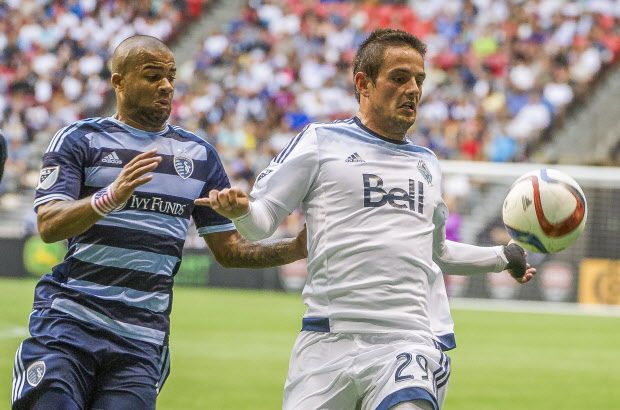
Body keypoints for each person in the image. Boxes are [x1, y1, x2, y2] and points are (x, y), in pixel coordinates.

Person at [198, 29, 536, 410]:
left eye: (419, 80)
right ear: (363, 83)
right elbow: (259, 224)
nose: (413, 89)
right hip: (327, 338)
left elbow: (437, 251)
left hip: (406, 340)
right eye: (399, 77)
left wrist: (501, 256)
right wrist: (240, 210)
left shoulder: (426, 163)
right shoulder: (320, 141)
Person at [11, 35, 307, 410]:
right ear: (118, 81)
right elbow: (49, 224)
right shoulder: (81, 139)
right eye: (152, 76)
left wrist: (295, 248)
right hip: (68, 324)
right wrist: (110, 196)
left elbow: (230, 252)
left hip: (140, 342)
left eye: (171, 76)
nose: (166, 85)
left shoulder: (199, 156)